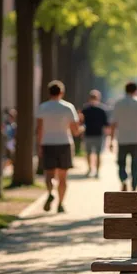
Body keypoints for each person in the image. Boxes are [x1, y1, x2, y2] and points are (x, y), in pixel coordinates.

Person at [36, 81, 80, 214]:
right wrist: (81, 129)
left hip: (48, 143)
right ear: (61, 92)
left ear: (49, 92)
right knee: (63, 177)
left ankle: (50, 191)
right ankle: (60, 204)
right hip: (64, 143)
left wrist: (39, 145)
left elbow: (39, 129)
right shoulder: (68, 107)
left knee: (49, 174)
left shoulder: (43, 107)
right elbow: (75, 131)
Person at [110, 82, 137, 192]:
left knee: (121, 163)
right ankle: (134, 186)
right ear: (136, 90)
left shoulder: (118, 103)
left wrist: (111, 140)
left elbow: (113, 123)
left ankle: (123, 179)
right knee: (135, 164)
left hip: (122, 139)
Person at [81, 90, 109, 179]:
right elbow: (106, 124)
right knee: (93, 154)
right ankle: (93, 170)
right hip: (93, 134)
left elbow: (105, 124)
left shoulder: (88, 109)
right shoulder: (87, 110)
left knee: (93, 154)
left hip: (94, 134)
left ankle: (94, 170)